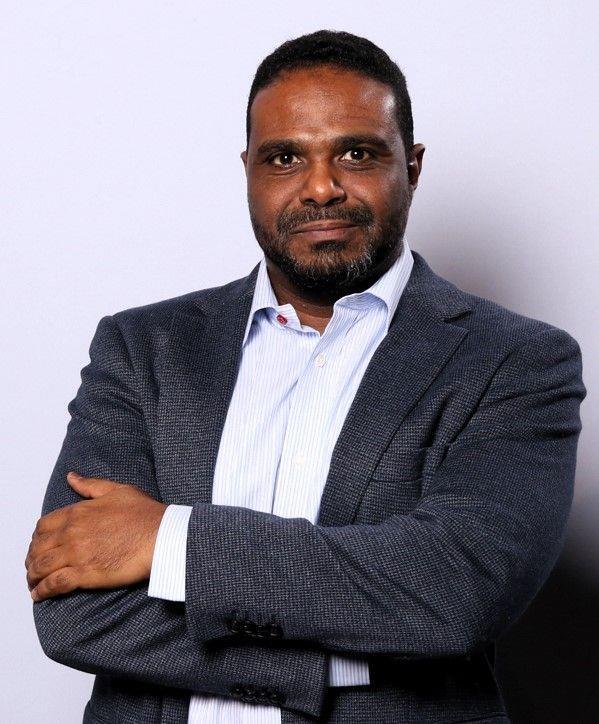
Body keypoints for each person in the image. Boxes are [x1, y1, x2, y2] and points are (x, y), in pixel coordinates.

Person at [26, 30, 586, 724]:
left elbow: (452, 593)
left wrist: (171, 540)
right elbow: (75, 611)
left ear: (411, 167)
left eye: (357, 154)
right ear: (249, 171)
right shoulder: (144, 349)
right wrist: (336, 656)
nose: (321, 187)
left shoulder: (514, 361)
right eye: (285, 158)